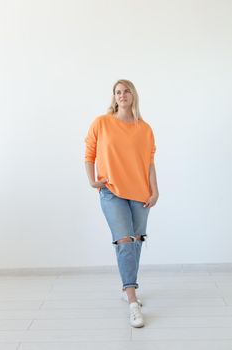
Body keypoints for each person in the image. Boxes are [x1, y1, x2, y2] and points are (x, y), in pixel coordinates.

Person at [84, 79, 159, 328]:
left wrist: (155, 191)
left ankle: (128, 286)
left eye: (126, 91)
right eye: (118, 92)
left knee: (136, 241)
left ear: (133, 95)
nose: (122, 95)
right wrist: (93, 181)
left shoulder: (145, 128)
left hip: (140, 193)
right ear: (114, 97)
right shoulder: (102, 123)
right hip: (112, 191)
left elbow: (149, 163)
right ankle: (132, 300)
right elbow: (89, 153)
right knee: (124, 240)